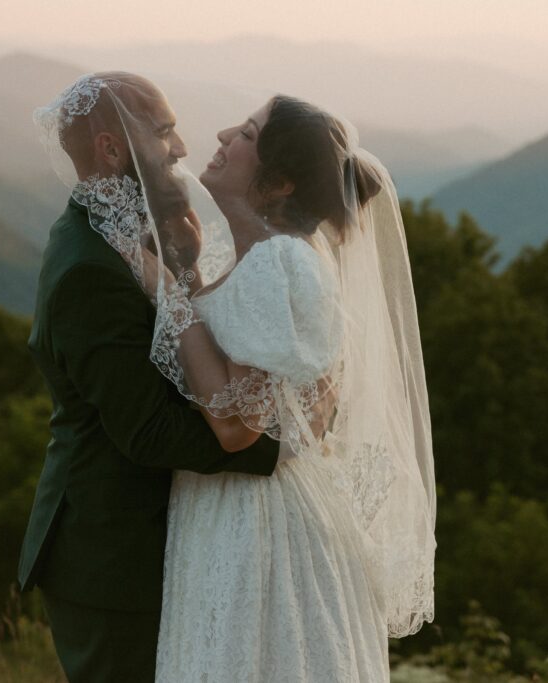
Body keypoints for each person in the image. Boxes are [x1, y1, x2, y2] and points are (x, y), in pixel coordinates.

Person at [57, 75, 437, 682]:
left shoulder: (281, 261)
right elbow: (299, 393)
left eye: (248, 133)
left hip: (259, 523)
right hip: (222, 509)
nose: (222, 134)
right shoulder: (252, 260)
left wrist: (166, 294)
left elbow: (236, 427)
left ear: (280, 182)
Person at [19, 72, 280, 683]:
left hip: (145, 544)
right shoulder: (90, 268)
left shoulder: (123, 233)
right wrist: (278, 450)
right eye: (164, 131)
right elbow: (149, 432)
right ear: (112, 149)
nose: (183, 147)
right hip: (111, 559)